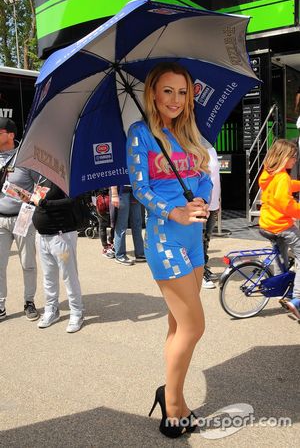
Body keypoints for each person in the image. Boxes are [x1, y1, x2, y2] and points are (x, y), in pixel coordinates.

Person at [126, 62, 212, 438]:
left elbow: (205, 177)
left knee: (178, 324)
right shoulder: (140, 133)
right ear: (153, 94)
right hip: (164, 237)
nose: (176, 99)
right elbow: (140, 188)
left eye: (182, 92)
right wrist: (173, 210)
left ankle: (170, 391)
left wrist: (202, 203)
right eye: (167, 91)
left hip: (194, 237)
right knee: (195, 325)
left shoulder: (189, 133)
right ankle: (173, 403)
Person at [32, 179, 84, 332]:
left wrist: (42, 203)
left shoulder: (67, 179)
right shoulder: (42, 178)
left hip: (61, 236)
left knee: (69, 276)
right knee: (48, 277)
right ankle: (51, 310)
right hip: (42, 236)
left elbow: (71, 201)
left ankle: (77, 312)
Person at [0, 117, 38, 321]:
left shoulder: (25, 157)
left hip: (23, 216)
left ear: (10, 135)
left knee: (28, 263)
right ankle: (0, 305)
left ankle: (29, 301)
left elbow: (41, 188)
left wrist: (19, 194)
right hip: (0, 219)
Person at [259, 138, 300, 320]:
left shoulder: (269, 174)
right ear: (284, 157)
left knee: (281, 256)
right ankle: (297, 299)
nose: (295, 160)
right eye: (293, 156)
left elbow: (282, 188)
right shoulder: (282, 176)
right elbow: (285, 203)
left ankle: (279, 288)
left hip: (267, 223)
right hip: (281, 225)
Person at [110, 184, 146, 265]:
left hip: (135, 190)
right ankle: (120, 255)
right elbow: (112, 174)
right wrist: (114, 193)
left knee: (137, 223)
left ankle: (140, 253)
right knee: (122, 225)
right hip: (121, 191)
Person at [202, 143, 221, 289]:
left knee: (207, 239)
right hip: (202, 203)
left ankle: (205, 266)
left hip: (213, 202)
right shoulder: (195, 148)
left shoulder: (212, 149)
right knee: (199, 240)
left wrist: (218, 200)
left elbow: (216, 177)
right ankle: (200, 272)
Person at [96, 188, 115, 258]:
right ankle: (111, 242)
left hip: (102, 200)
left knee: (102, 227)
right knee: (115, 224)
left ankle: (105, 247)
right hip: (112, 197)